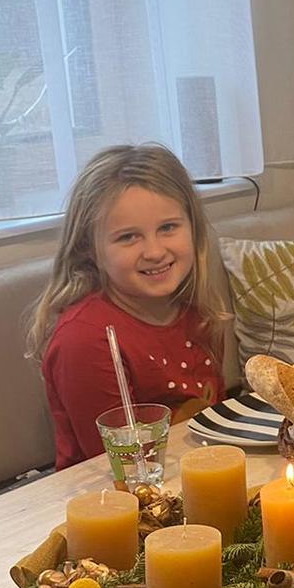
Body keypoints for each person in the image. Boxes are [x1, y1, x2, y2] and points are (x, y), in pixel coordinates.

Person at [27, 144, 227, 469]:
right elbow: (119, 466)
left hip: (197, 474)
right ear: (90, 249)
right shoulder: (85, 340)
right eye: (128, 237)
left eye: (168, 228)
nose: (154, 251)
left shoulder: (197, 312)